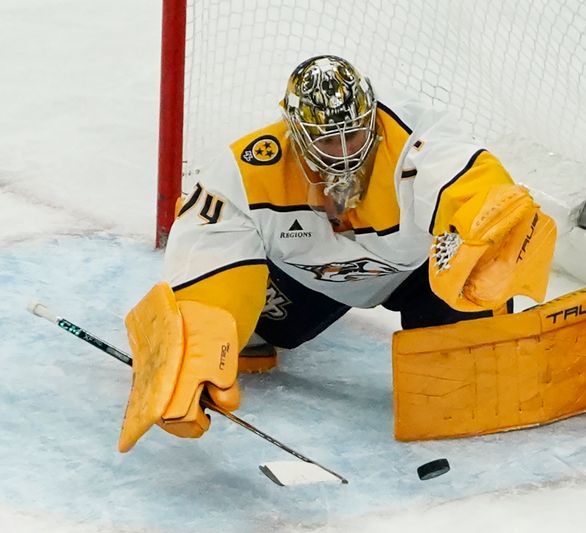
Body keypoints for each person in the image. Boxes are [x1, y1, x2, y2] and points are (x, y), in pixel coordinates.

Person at [117, 55, 557, 452]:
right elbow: (207, 248)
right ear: (296, 132)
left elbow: (467, 181)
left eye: (356, 134)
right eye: (329, 140)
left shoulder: (414, 141)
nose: (346, 152)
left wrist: (487, 225)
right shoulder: (249, 169)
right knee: (246, 339)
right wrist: (192, 343)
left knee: (467, 373)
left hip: (413, 272)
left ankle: (477, 330)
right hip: (314, 275)